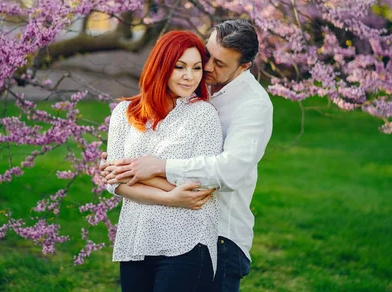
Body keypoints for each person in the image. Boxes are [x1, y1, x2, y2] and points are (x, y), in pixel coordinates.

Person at [103, 19, 273, 292]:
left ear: (243, 67)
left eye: (219, 64)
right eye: (208, 56)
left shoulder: (251, 106)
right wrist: (132, 171)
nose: (205, 68)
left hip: (220, 236)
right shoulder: (131, 112)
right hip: (141, 236)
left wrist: (153, 168)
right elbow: (116, 177)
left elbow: (227, 173)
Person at [105, 30, 224, 292]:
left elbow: (201, 188)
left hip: (188, 242)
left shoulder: (204, 115)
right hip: (135, 241)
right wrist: (170, 197)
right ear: (161, 66)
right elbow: (113, 182)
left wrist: (138, 173)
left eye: (196, 68)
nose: (189, 76)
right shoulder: (124, 113)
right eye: (179, 66)